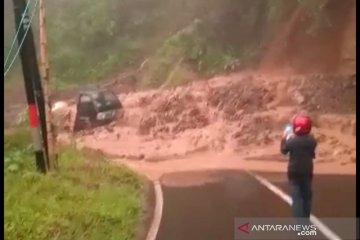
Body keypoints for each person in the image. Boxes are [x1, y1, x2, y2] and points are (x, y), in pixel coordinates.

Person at [280, 114, 317, 225]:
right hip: (307, 171)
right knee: (307, 197)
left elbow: (283, 150)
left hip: (294, 172)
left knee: (296, 199)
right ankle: (306, 221)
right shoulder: (312, 141)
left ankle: (299, 225)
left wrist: (284, 138)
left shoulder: (292, 141)